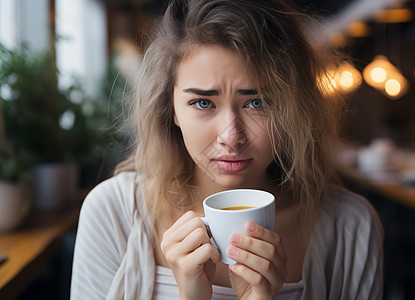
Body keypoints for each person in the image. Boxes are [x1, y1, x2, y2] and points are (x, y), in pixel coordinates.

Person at [70, 0, 384, 299]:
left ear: (293, 108)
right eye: (203, 102)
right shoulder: (114, 214)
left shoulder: (350, 228)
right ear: (172, 109)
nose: (231, 136)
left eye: (257, 102)